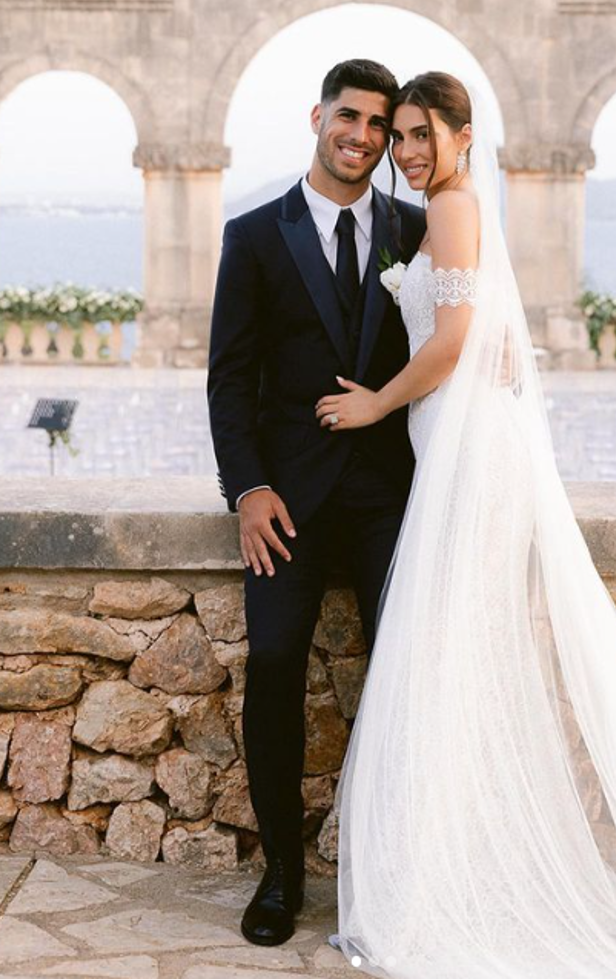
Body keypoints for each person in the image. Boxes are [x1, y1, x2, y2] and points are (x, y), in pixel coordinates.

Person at [318, 72, 616, 979]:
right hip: (463, 443)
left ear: (462, 133)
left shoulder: (448, 210)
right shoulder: (457, 205)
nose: (405, 150)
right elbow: (495, 348)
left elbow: (451, 343)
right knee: (466, 654)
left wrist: (375, 408)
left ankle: (450, 876)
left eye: (420, 133)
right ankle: (463, 860)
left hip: (461, 453)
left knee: (450, 654)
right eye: (397, 135)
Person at [207, 59, 426, 947]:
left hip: (387, 501)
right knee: (272, 670)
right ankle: (282, 873)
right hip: (286, 504)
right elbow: (230, 380)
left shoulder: (416, 230)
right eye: (351, 116)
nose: (364, 136)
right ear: (317, 117)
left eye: (381, 124)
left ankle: (391, 872)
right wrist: (248, 489)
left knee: (404, 682)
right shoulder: (255, 234)